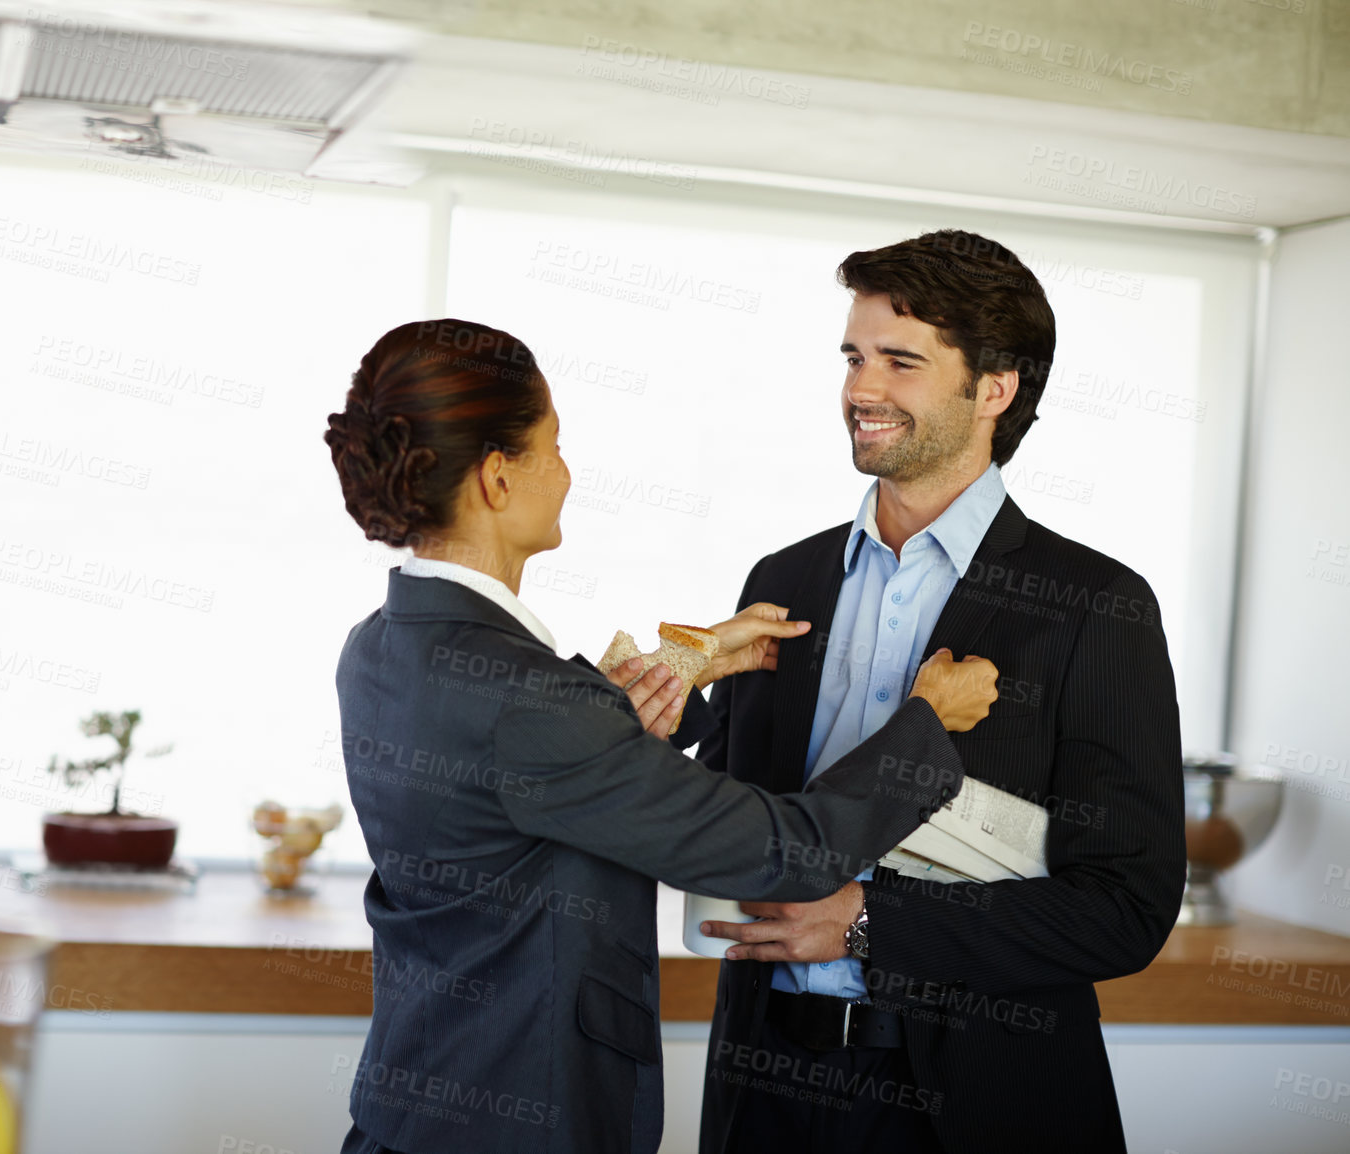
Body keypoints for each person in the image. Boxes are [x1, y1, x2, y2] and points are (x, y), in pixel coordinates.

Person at [324, 318, 1001, 1154]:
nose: (567, 473)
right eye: (554, 446)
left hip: (415, 1104)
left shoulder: (383, 642)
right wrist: (926, 725)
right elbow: (785, 853)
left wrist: (674, 671)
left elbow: (511, 776)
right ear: (499, 477)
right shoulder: (532, 703)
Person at [677, 231, 1186, 1153]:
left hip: (979, 1101)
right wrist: (671, 692)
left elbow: (1126, 909)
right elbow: (724, 824)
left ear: (995, 389)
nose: (861, 391)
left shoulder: (1093, 605)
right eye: (854, 357)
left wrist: (872, 922)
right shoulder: (783, 582)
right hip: (764, 1092)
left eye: (900, 362)